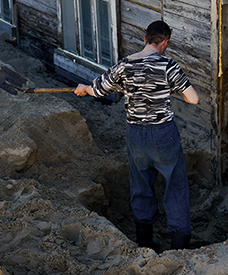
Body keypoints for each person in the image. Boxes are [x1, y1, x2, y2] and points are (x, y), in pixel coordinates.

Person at [75, 20, 199, 250]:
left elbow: (98, 90)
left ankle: (145, 242)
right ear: (165, 42)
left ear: (144, 39)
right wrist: (173, 90)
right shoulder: (168, 65)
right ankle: (180, 245)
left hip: (136, 135)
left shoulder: (125, 65)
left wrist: (84, 87)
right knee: (176, 185)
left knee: (141, 184)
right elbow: (193, 99)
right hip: (163, 134)